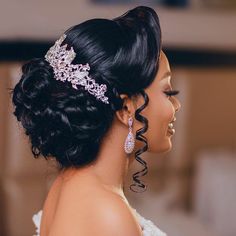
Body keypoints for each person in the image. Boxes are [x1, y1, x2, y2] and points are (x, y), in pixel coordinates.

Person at [11, 5, 181, 236]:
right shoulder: (108, 214)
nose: (177, 105)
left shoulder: (69, 182)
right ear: (125, 108)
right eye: (168, 93)